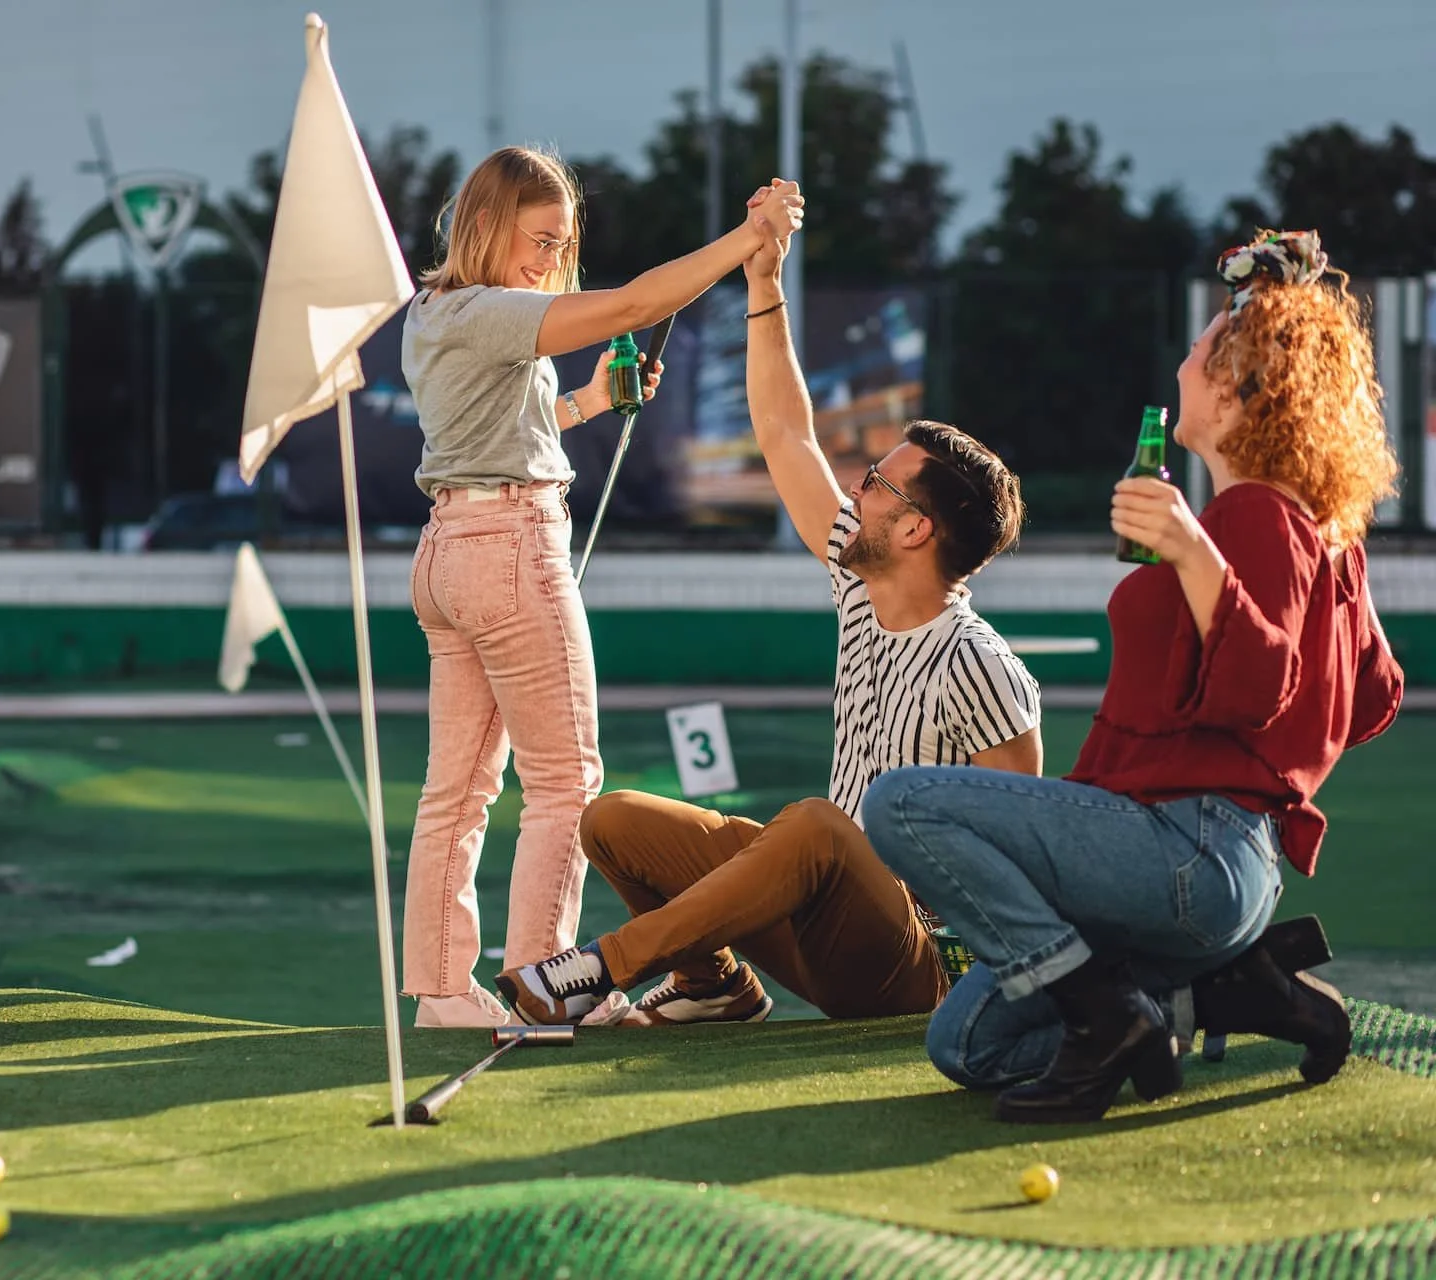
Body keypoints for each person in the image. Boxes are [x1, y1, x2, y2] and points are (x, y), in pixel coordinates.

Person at [861, 229, 1404, 1124]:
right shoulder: (1311, 532)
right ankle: (1225, 994)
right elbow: (1373, 695)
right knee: (967, 1044)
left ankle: (1106, 1010)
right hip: (1210, 870)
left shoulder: (1251, 517)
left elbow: (1259, 687)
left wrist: (1195, 553)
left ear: (1236, 390)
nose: (1183, 366)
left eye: (1197, 355)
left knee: (903, 804)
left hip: (1188, 848)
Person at [496, 188, 1043, 1029]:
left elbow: (1026, 849)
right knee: (614, 821)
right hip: (827, 929)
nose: (856, 488)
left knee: (821, 830)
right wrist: (764, 281)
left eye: (878, 484)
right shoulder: (861, 586)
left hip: (916, 972)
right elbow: (788, 433)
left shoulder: (979, 663)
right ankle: (714, 986)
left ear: (916, 529)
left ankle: (600, 967)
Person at [400, 148, 803, 1027]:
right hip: (509, 549)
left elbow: (505, 430)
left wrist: (591, 402)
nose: (550, 260)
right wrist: (748, 239)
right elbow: (633, 304)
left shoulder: (437, 311)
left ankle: (441, 991)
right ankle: (546, 985)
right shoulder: (495, 308)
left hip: (449, 550)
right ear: (485, 223)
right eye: (539, 240)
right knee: (565, 782)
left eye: (561, 244)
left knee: (459, 791)